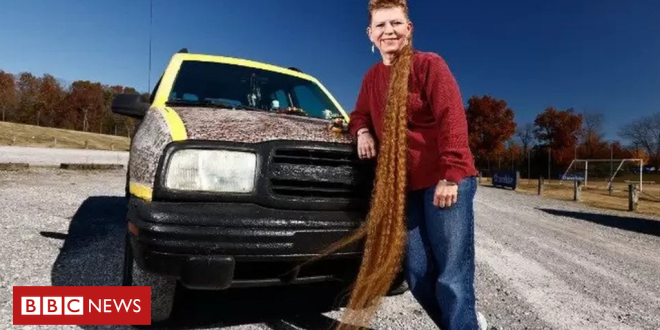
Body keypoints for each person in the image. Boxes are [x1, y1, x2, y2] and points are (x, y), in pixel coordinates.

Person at [334, 0, 487, 329]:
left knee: (452, 276)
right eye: (381, 25)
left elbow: (452, 120)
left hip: (444, 180)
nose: (388, 30)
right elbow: (359, 114)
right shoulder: (372, 78)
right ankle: (465, 323)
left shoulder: (429, 65)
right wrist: (362, 131)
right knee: (416, 273)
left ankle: (464, 324)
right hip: (408, 188)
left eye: (396, 23)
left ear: (409, 28)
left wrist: (450, 175)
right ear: (370, 34)